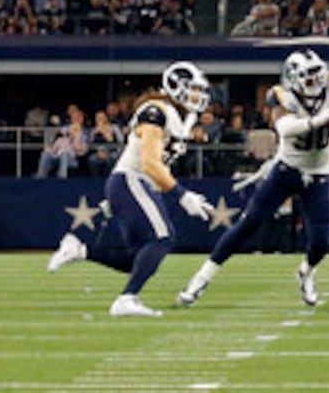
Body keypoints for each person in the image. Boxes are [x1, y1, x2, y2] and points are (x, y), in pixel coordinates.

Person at [176, 49, 329, 309]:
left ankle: (306, 273)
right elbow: (285, 128)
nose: (316, 80)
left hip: (321, 172)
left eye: (317, 73)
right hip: (287, 169)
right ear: (293, 78)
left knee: (322, 240)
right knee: (247, 225)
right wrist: (323, 119)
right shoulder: (281, 95)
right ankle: (200, 279)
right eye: (308, 76)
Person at [47, 62, 214, 318]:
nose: (197, 95)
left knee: (138, 257)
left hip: (131, 184)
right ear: (176, 87)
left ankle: (80, 249)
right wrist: (182, 195)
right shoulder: (156, 111)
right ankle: (127, 299)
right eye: (192, 89)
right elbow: (149, 163)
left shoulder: (173, 116)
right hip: (133, 180)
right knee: (163, 238)